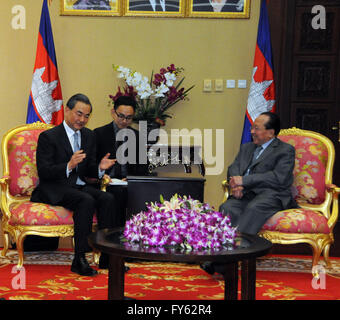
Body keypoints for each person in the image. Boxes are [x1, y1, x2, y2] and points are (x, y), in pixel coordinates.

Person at [31, 93, 118, 276]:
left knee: (108, 198)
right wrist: (69, 165)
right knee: (85, 200)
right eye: (79, 114)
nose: (82, 119)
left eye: (86, 116)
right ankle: (79, 259)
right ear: (67, 110)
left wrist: (100, 169)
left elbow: (89, 170)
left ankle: (107, 257)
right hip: (54, 187)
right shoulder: (49, 137)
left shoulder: (89, 136)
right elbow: (44, 172)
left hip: (78, 186)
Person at [201, 112, 297, 275]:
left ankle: (225, 260)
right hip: (245, 194)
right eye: (252, 127)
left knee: (254, 208)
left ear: (270, 132)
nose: (252, 131)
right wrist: (236, 185)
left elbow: (278, 178)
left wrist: (244, 181)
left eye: (257, 128)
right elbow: (234, 168)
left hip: (272, 195)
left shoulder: (285, 150)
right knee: (228, 207)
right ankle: (223, 258)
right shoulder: (247, 147)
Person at [94, 95, 147, 226]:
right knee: (115, 195)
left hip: (127, 182)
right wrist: (102, 174)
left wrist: (132, 178)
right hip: (106, 183)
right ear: (113, 113)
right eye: (121, 116)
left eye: (129, 118)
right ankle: (110, 237)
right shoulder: (99, 134)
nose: (124, 121)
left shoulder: (138, 137)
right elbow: (91, 163)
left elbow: (143, 167)